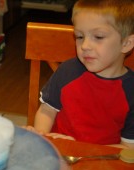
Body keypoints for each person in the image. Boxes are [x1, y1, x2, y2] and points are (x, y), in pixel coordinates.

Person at [24, 0, 134, 148]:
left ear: (126, 43)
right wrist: (42, 136)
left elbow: (128, 148)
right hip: (59, 155)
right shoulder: (68, 71)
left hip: (103, 163)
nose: (85, 46)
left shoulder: (131, 91)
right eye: (80, 37)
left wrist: (80, 150)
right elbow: (47, 110)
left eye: (98, 37)